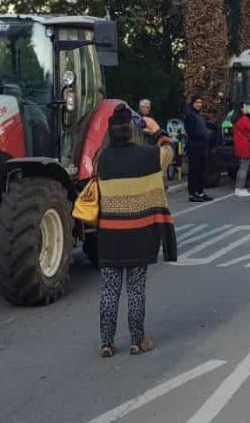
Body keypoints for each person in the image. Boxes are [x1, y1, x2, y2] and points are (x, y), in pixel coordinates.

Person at [95, 104, 177, 358]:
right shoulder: (147, 156)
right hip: (140, 234)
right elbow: (170, 152)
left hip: (109, 235)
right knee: (136, 290)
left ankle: (107, 343)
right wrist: (157, 131)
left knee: (109, 290)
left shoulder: (102, 159)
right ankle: (137, 340)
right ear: (132, 130)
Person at [183, 95, 212, 202]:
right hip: (193, 146)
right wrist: (202, 135)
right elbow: (190, 131)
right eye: (197, 102)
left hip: (201, 146)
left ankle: (200, 192)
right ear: (193, 103)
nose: (199, 104)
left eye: (200, 102)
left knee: (201, 170)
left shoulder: (199, 115)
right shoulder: (190, 116)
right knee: (193, 171)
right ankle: (192, 193)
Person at [232, 103, 250, 197]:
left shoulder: (235, 120)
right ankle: (240, 188)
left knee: (240, 167)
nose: (247, 109)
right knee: (244, 168)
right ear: (241, 109)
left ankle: (238, 187)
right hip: (245, 145)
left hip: (238, 144)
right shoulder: (245, 119)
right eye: (245, 107)